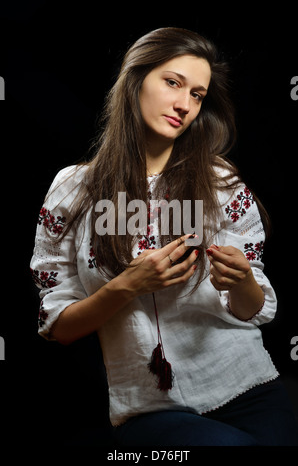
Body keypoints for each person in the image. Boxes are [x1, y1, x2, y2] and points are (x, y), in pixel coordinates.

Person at [30, 27, 298, 446]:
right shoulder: (73, 190)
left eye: (197, 95)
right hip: (149, 409)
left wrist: (243, 280)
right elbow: (59, 326)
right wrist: (126, 286)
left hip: (250, 390)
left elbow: (251, 308)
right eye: (173, 82)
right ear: (135, 80)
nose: (184, 105)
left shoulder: (219, 182)